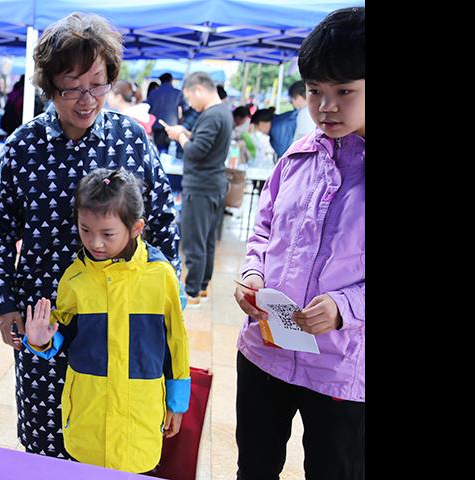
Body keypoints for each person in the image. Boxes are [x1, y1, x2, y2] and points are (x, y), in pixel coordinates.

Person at [0, 12, 180, 459]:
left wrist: (168, 297)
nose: (86, 99)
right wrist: (6, 304)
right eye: (71, 87)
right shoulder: (23, 147)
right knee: (47, 438)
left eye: (97, 83)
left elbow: (164, 225)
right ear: (50, 86)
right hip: (45, 321)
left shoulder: (132, 140)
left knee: (116, 440)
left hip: (122, 323)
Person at [233, 7, 364, 479]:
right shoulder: (298, 153)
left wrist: (346, 306)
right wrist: (252, 273)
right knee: (254, 469)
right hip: (265, 351)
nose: (326, 106)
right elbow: (264, 227)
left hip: (342, 370)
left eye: (344, 91)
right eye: (315, 92)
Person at [22, 168, 190, 474]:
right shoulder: (75, 277)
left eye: (107, 234)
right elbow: (63, 333)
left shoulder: (161, 276)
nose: (95, 243)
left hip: (139, 414)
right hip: (89, 412)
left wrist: (178, 400)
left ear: (136, 227)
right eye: (85, 230)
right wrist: (40, 339)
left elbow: (176, 339)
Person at [163, 72, 232, 308]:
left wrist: (181, 135)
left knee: (194, 242)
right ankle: (202, 286)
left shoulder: (211, 115)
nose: (189, 103)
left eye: (189, 97)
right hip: (214, 184)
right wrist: (185, 133)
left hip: (201, 186)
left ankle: (191, 292)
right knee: (207, 241)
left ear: (199, 90)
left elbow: (195, 152)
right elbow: (205, 142)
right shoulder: (223, 111)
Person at [269, 80, 314, 158]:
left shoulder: (304, 113)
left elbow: (304, 142)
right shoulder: (315, 111)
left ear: (298, 97)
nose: (292, 104)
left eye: (291, 101)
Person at [145, 72, 188, 148]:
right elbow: (186, 109)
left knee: (158, 149)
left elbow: (147, 108)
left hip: (156, 125)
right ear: (171, 80)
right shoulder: (178, 93)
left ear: (161, 81)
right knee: (171, 150)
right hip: (172, 126)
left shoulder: (153, 93)